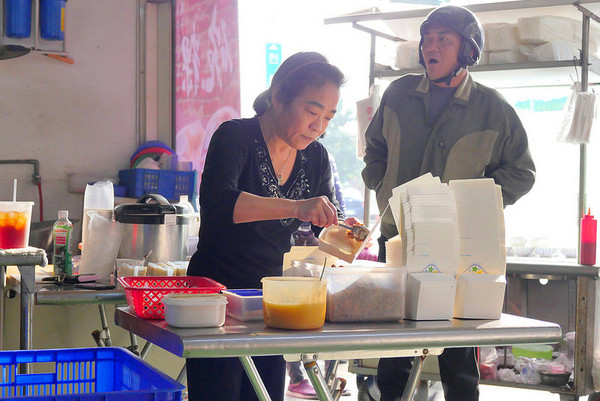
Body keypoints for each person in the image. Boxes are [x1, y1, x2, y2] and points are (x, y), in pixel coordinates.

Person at [361, 5, 535, 401]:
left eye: (444, 39)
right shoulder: (398, 94)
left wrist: (476, 206)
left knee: (459, 356)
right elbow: (374, 152)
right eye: (428, 39)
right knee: (396, 348)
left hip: (459, 248)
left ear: (468, 49)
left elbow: (522, 173)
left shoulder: (494, 109)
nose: (431, 47)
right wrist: (383, 185)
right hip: (399, 240)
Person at [186, 51, 358, 401]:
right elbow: (219, 204)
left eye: (328, 117)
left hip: (270, 300)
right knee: (218, 392)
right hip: (216, 297)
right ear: (278, 96)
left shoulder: (316, 156)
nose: (319, 126)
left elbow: (325, 225)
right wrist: (297, 206)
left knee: (263, 394)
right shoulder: (236, 136)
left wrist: (344, 231)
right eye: (312, 112)